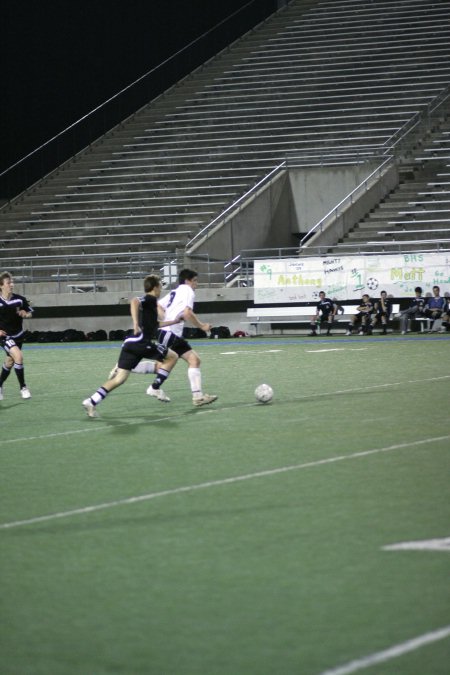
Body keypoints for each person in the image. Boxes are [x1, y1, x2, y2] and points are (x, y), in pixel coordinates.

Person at [82, 274, 179, 418]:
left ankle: (92, 401)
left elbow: (155, 325)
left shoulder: (151, 304)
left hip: (131, 343)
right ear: (155, 287)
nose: (161, 289)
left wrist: (174, 321)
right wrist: (134, 323)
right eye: (160, 286)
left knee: (119, 379)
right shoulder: (150, 299)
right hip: (141, 342)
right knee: (173, 356)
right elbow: (134, 301)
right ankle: (155, 387)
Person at [153, 268, 218, 407]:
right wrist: (202, 326)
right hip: (170, 333)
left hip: (169, 333)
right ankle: (125, 366)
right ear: (187, 281)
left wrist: (166, 317)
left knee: (194, 360)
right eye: (195, 280)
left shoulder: (175, 291)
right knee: (160, 366)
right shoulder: (188, 291)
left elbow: (157, 304)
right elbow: (188, 313)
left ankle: (198, 397)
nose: (196, 284)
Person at [0, 271, 33, 400]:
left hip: (18, 335)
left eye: (12, 282)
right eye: (9, 283)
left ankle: (0, 385)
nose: (12, 285)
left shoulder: (19, 299)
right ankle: (23, 387)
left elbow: (30, 312)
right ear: (1, 285)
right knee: (18, 356)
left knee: (10, 361)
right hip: (5, 337)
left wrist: (26, 314)